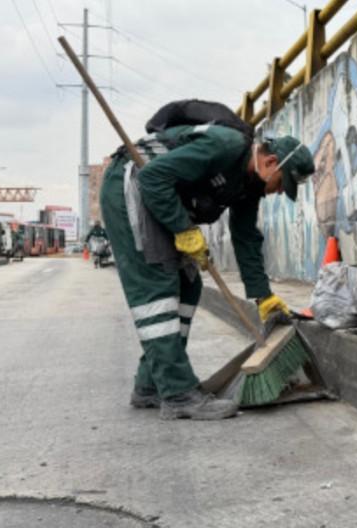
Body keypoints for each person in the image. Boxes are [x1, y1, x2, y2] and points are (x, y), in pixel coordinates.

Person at [100, 123, 314, 420]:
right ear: (270, 162)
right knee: (158, 286)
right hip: (132, 185)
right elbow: (152, 177)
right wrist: (183, 229)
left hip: (160, 196)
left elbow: (245, 238)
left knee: (189, 284)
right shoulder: (224, 147)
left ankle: (150, 385)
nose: (278, 192)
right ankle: (177, 394)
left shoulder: (250, 184)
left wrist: (263, 296)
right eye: (281, 183)